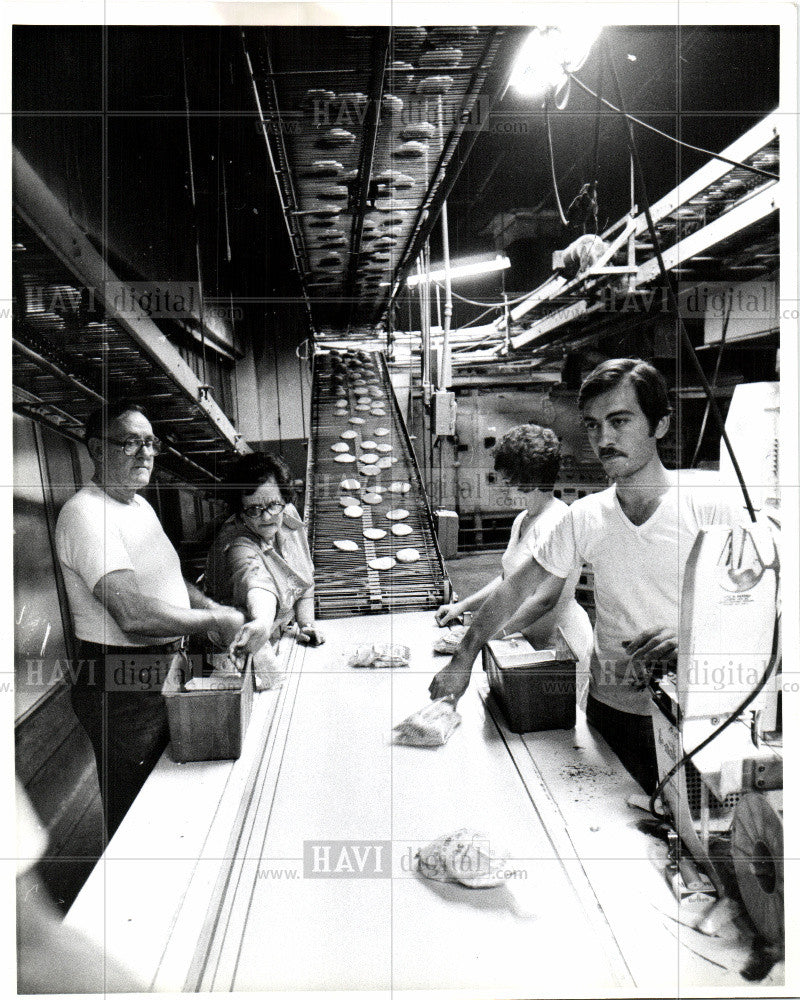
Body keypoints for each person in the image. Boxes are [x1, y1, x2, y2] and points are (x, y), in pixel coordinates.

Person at [430, 358, 745, 794]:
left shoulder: (711, 508)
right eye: (593, 425)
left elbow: (762, 608)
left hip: (693, 716)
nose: (603, 439)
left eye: (619, 421)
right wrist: (463, 657)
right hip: (610, 709)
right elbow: (516, 588)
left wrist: (690, 635)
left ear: (661, 426)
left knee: (680, 843)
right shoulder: (586, 516)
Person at [55, 400, 245, 838]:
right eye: (129, 443)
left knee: (174, 788)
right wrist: (215, 624)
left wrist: (210, 608)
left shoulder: (137, 506)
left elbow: (170, 583)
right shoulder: (87, 514)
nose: (145, 453)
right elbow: (133, 614)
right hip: (121, 681)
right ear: (97, 450)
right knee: (140, 814)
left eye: (150, 442)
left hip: (161, 667)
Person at [434, 424, 592, 681]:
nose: (503, 485)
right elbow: (509, 579)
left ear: (527, 478)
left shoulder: (558, 521)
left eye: (508, 479)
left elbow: (544, 600)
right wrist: (462, 606)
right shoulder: (522, 518)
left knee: (560, 717)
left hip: (559, 644)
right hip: (526, 638)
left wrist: (486, 633)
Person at [204, 452, 324, 686]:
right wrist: (261, 621)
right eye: (253, 510)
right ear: (240, 511)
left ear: (285, 498)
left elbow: (304, 581)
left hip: (274, 636)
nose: (266, 516)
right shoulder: (237, 542)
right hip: (238, 651)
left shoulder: (287, 515)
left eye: (272, 504)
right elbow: (256, 583)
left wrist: (307, 624)